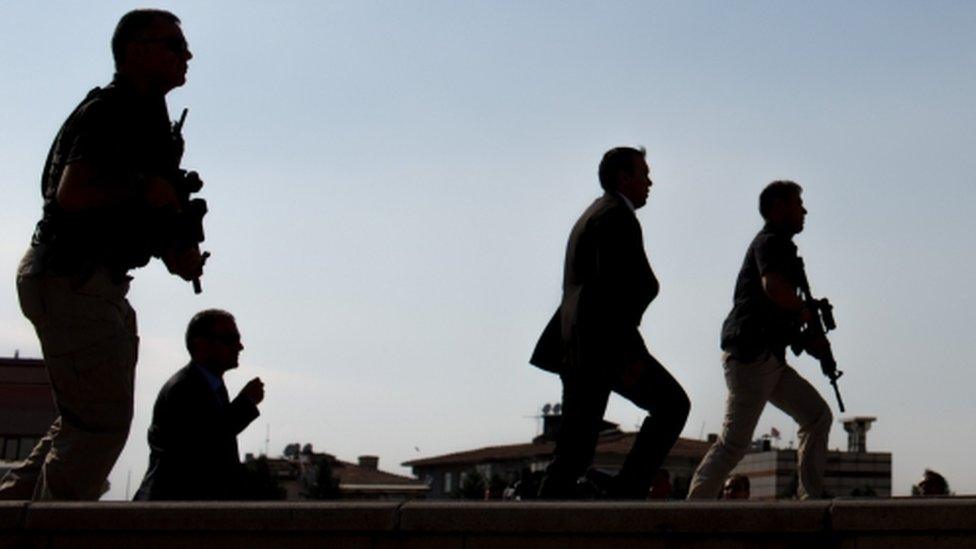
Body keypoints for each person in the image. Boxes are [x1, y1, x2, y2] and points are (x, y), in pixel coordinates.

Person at [0, 9, 204, 501]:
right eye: (173, 45)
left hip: (89, 281)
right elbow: (72, 193)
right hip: (73, 277)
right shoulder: (112, 111)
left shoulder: (148, 119)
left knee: (84, 420)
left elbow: (137, 211)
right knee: (99, 425)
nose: (187, 56)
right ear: (136, 50)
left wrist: (176, 245)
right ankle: (53, 535)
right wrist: (146, 187)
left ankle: (12, 509)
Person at [531, 147, 690, 499]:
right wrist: (630, 354)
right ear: (624, 177)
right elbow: (609, 294)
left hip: (582, 346)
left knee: (573, 449)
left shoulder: (598, 214)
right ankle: (627, 487)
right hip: (603, 347)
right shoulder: (615, 217)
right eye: (644, 174)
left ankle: (547, 517)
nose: (650, 182)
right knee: (672, 406)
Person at [687, 181, 833, 500]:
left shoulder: (781, 247)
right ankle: (691, 510)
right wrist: (805, 310)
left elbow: (781, 315)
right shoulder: (770, 242)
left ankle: (810, 497)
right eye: (798, 203)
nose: (804, 210)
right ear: (778, 207)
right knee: (734, 444)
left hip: (768, 358)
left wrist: (812, 343)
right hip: (753, 355)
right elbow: (774, 289)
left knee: (817, 416)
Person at [135, 310, 264, 500]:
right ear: (201, 343)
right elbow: (203, 444)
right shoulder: (184, 389)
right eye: (230, 339)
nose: (240, 346)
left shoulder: (206, 386)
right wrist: (244, 405)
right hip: (173, 511)